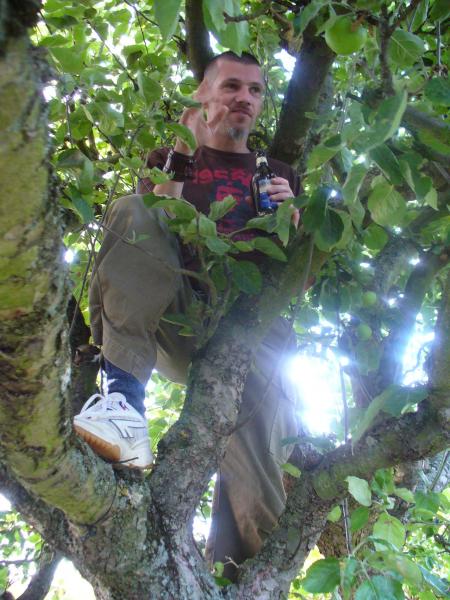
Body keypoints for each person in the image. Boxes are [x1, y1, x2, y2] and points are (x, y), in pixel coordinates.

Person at [74, 51, 301, 579]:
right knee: (133, 212)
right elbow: (150, 232)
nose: (244, 98)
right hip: (179, 316)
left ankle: (243, 583)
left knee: (260, 482)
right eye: (231, 86)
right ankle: (123, 406)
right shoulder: (169, 158)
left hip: (252, 333)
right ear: (203, 94)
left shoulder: (278, 174)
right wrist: (182, 150)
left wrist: (290, 226)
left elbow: (295, 283)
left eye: (255, 90)